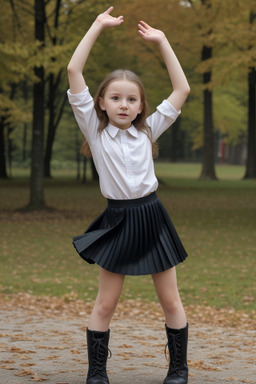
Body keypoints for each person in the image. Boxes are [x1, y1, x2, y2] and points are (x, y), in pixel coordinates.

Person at [67, 6, 190, 384]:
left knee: (170, 301)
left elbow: (182, 89)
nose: (124, 105)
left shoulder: (149, 131)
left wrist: (163, 41)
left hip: (152, 217)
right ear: (101, 103)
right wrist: (97, 26)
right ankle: (97, 373)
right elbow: (74, 71)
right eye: (116, 98)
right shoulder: (95, 129)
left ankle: (179, 369)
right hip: (118, 220)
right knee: (106, 303)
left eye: (131, 99)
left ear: (141, 106)